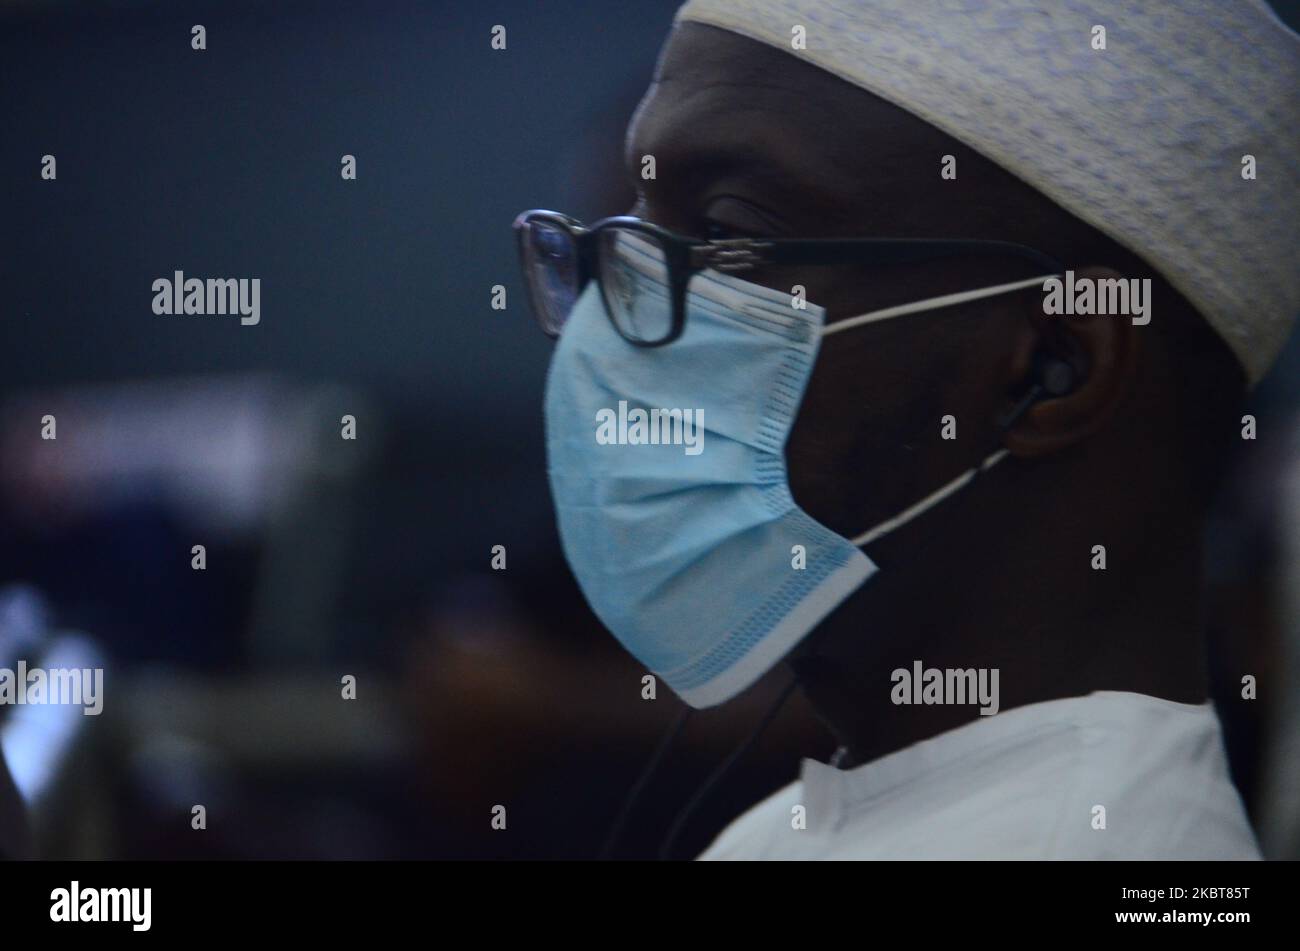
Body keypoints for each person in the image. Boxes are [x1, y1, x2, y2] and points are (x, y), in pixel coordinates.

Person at [520, 0, 1299, 858]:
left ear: (1054, 365)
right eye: (633, 230)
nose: (610, 326)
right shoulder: (807, 829)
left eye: (725, 235)